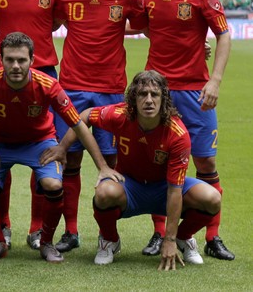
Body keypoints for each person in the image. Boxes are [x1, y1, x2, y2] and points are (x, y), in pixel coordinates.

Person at [0, 32, 121, 262]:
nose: (16, 66)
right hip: (1, 143)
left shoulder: (48, 85)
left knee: (53, 184)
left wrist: (95, 163)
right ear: (0, 59)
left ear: (32, 60)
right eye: (10, 60)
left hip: (40, 143)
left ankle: (46, 243)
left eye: (22, 60)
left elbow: (78, 124)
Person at [132, 0, 234, 261]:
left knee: (205, 161)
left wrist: (214, 80)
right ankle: (160, 233)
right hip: (157, 91)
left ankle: (212, 237)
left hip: (194, 91)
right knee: (158, 161)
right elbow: (149, 26)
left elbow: (223, 34)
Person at [53, 70, 222, 268]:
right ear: (134, 98)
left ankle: (182, 238)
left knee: (212, 198)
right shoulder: (120, 115)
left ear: (164, 99)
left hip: (164, 189)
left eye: (154, 94)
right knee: (104, 192)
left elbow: (175, 190)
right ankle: (109, 240)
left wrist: (169, 238)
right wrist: (71, 151)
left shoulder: (177, 134)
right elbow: (84, 116)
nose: (149, 100)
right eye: (143, 94)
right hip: (130, 187)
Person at [52, 0, 147, 254]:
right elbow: (50, 23)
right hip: (73, 86)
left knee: (111, 162)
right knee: (70, 160)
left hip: (111, 90)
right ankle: (71, 231)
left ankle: (109, 234)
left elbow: (148, 26)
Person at [0, 0, 64, 250]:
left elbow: (56, 20)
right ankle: (2, 224)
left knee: (42, 148)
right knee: (1, 145)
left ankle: (36, 227)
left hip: (44, 70)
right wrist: (5, 35)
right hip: (4, 74)